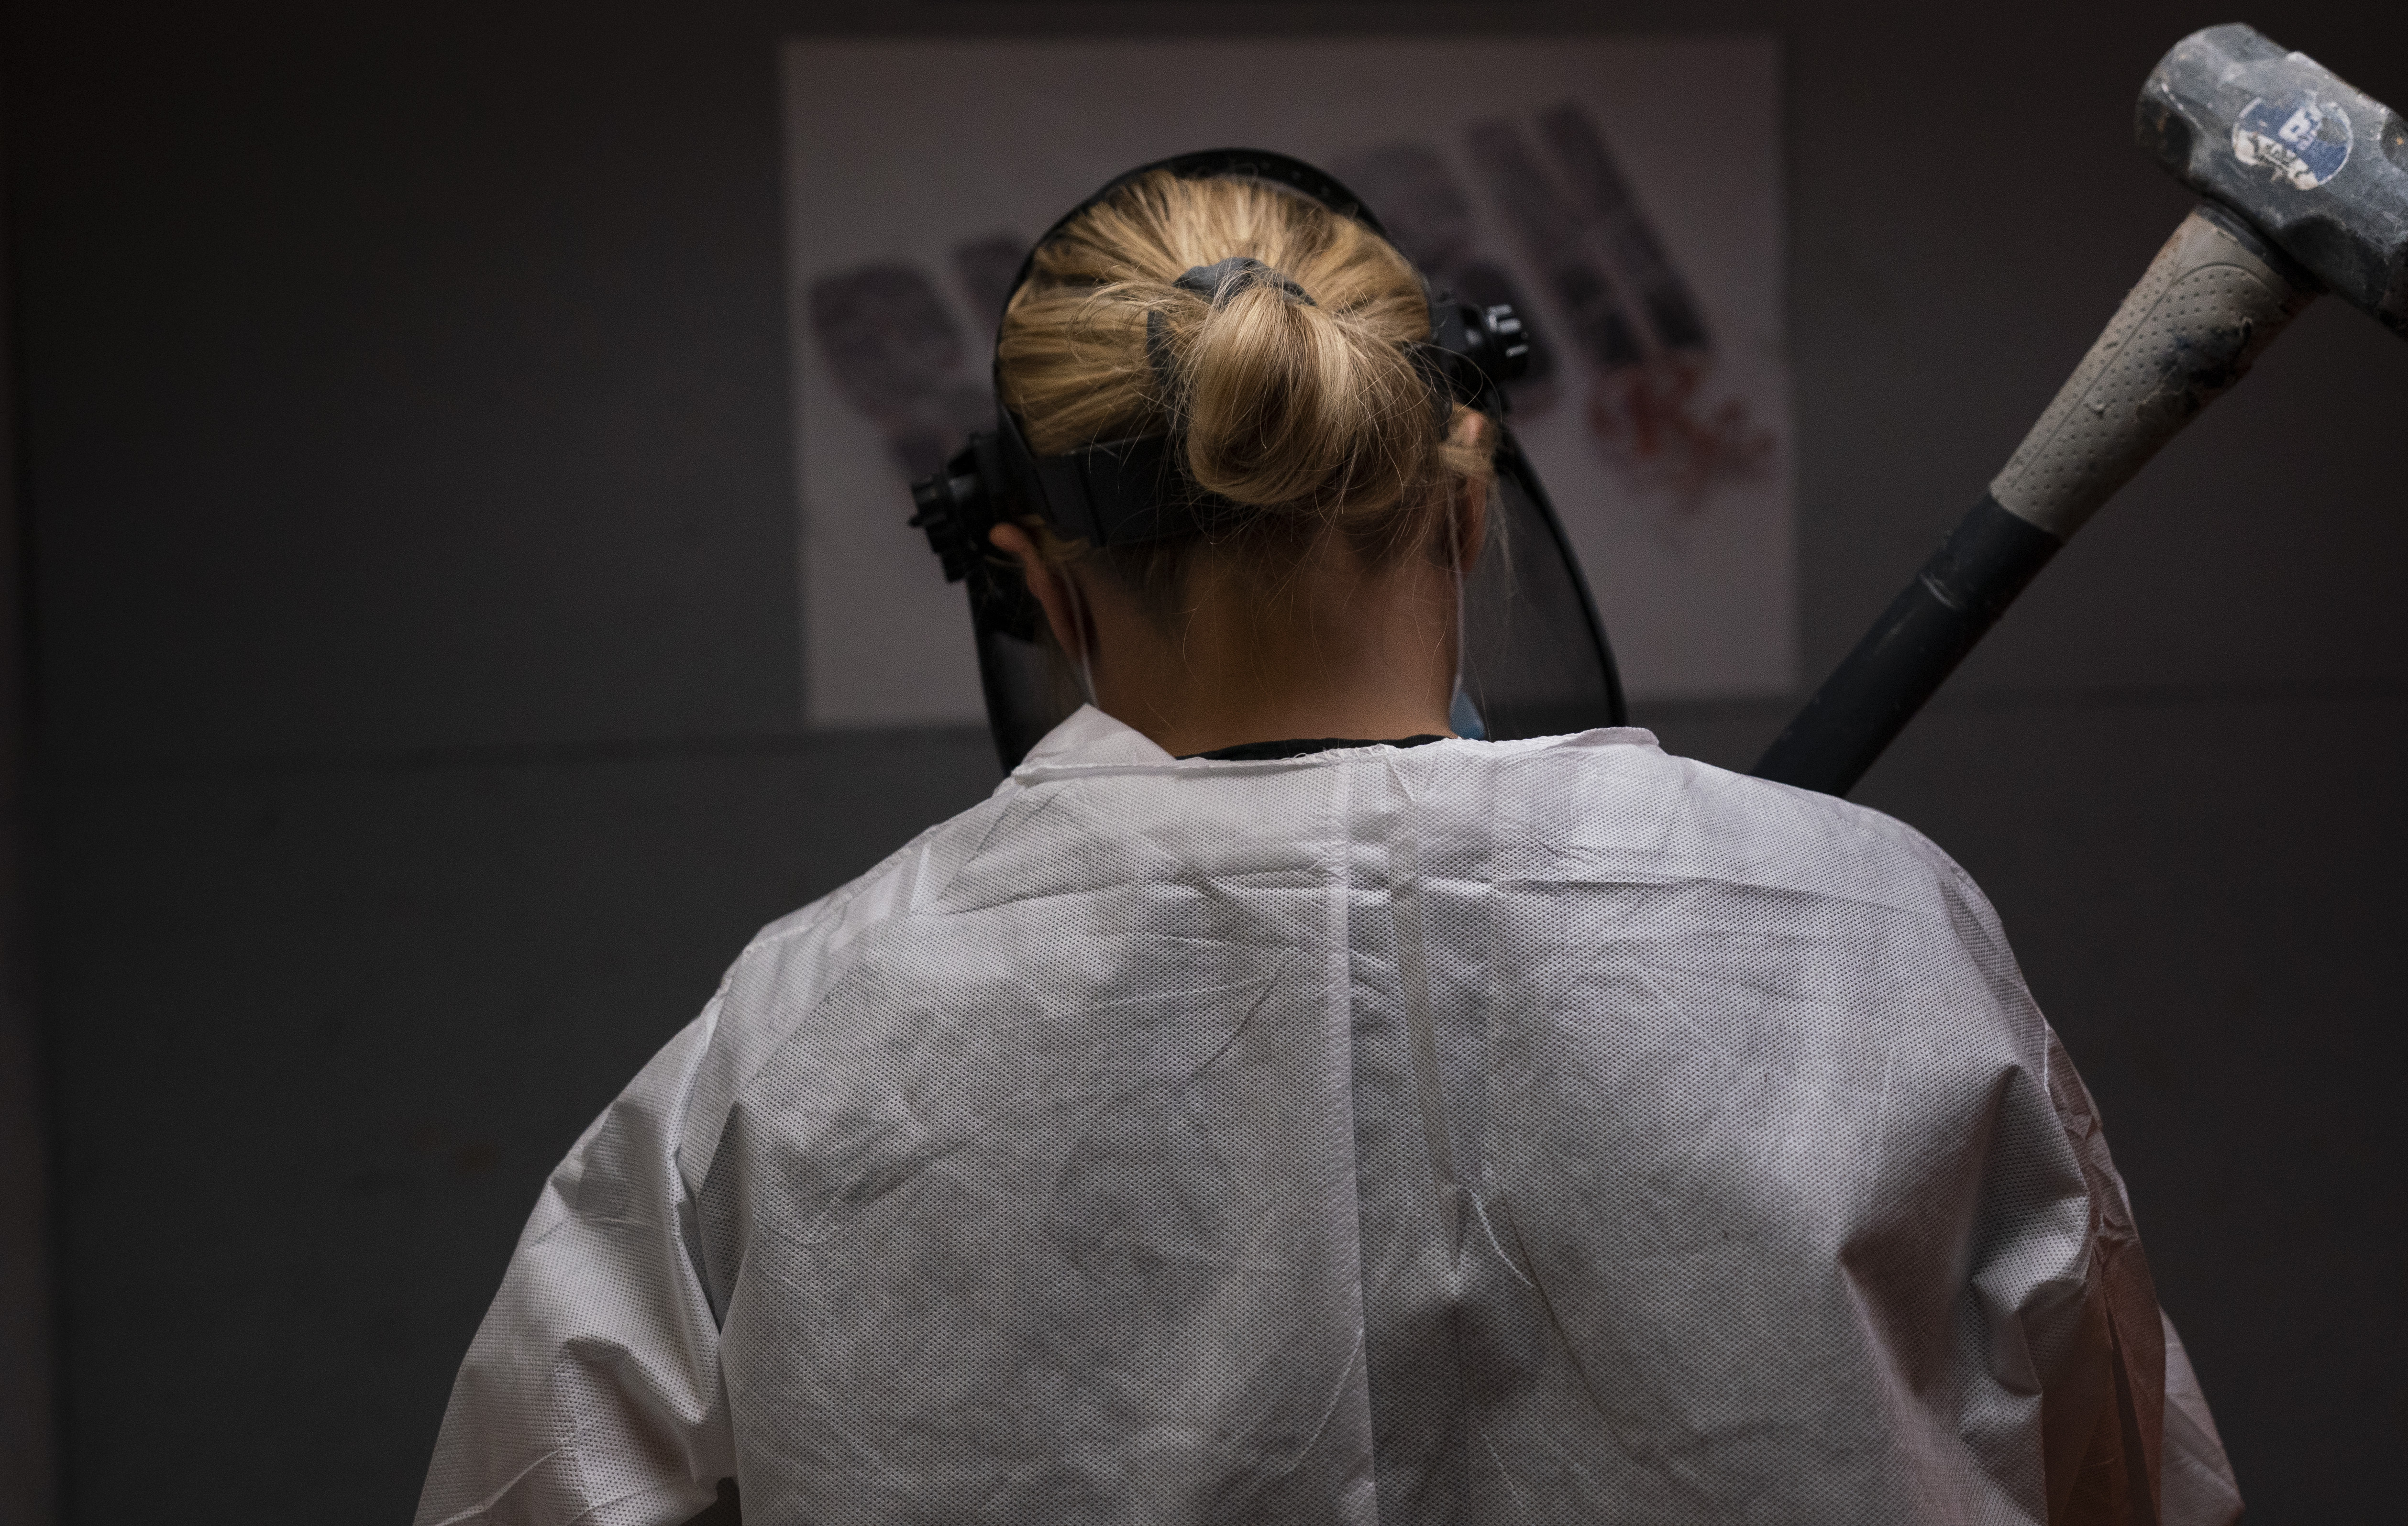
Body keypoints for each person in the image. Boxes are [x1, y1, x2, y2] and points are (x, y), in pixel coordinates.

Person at [414, 160, 2244, 1525]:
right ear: (1463, 502)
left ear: (1039, 586)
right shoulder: (1866, 929)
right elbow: (2124, 1477)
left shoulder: (802, 1029)